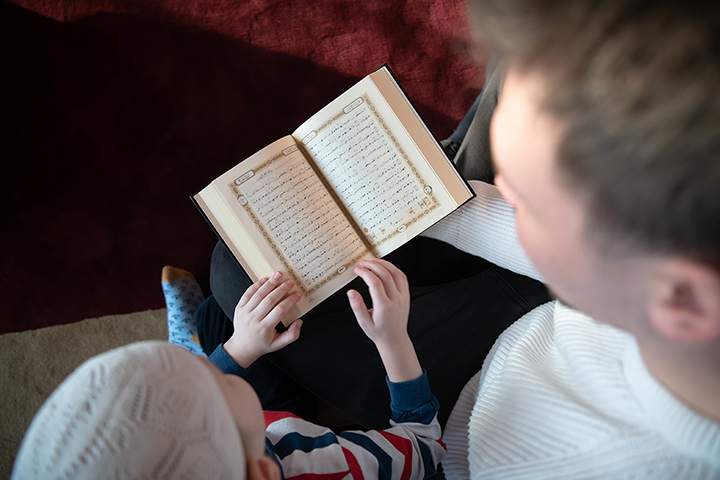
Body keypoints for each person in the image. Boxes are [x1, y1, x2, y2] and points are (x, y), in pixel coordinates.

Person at [204, 0, 720, 477]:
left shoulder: (563, 464)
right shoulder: (654, 279)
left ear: (680, 296)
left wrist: (397, 342)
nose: (505, 191)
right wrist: (436, 206)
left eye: (529, 202)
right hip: (560, 298)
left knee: (239, 273)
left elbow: (426, 447)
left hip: (451, 403)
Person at [12, 260, 446, 480]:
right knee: (224, 305)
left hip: (255, 432)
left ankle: (194, 345)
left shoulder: (237, 458)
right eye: (207, 385)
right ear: (261, 471)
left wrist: (239, 347)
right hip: (288, 429)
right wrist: (392, 339)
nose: (209, 375)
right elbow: (425, 445)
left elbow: (219, 393)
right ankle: (194, 347)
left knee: (219, 322)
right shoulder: (320, 465)